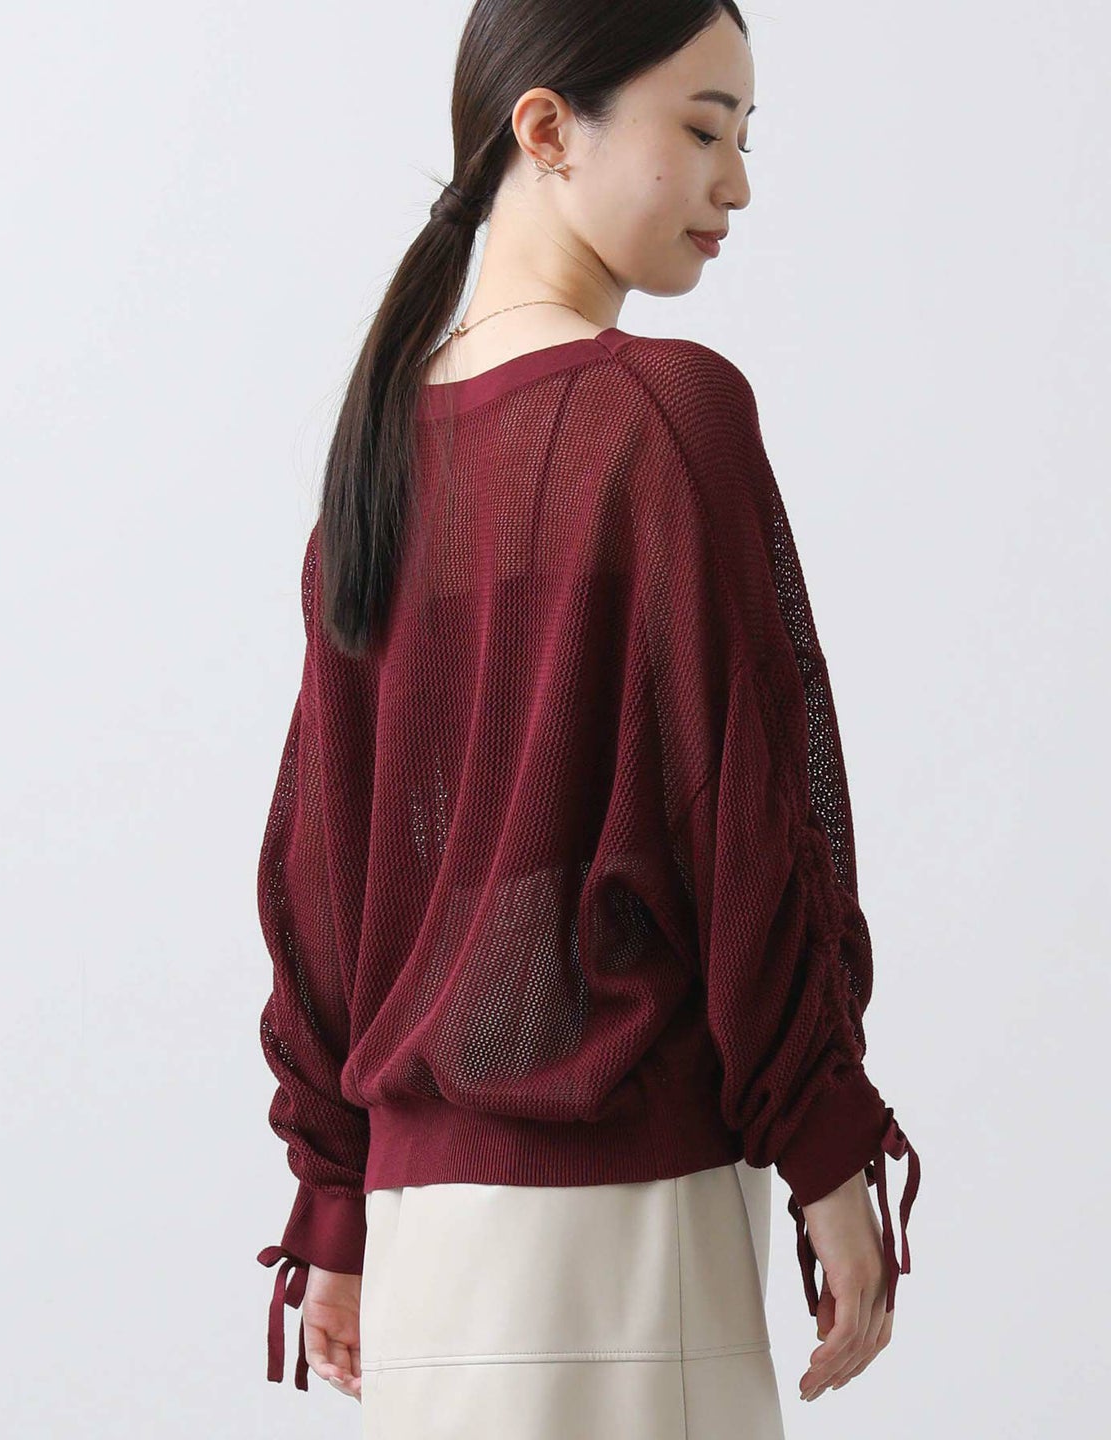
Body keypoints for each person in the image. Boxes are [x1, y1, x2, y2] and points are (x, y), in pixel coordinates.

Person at [253, 2, 921, 1434]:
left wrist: (338, 1200)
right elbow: (747, 810)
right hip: (625, 1221)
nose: (736, 184)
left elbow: (325, 868)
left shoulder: (380, 455)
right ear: (547, 130)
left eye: (745, 138)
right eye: (702, 129)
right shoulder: (665, 415)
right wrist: (825, 1143)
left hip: (422, 1238)